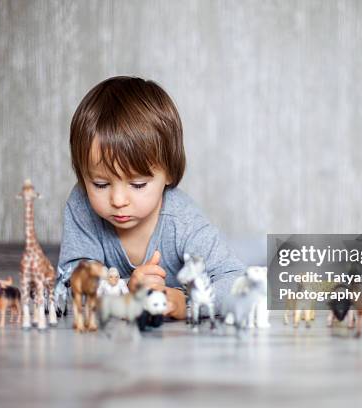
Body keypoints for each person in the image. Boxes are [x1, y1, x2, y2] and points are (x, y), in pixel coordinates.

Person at [58, 76, 245, 319]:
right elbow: (70, 284)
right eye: (100, 184)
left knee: (253, 261)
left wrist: (185, 304)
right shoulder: (82, 205)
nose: (118, 199)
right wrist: (124, 289)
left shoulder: (182, 220)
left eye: (137, 184)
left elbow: (236, 280)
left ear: (168, 173)